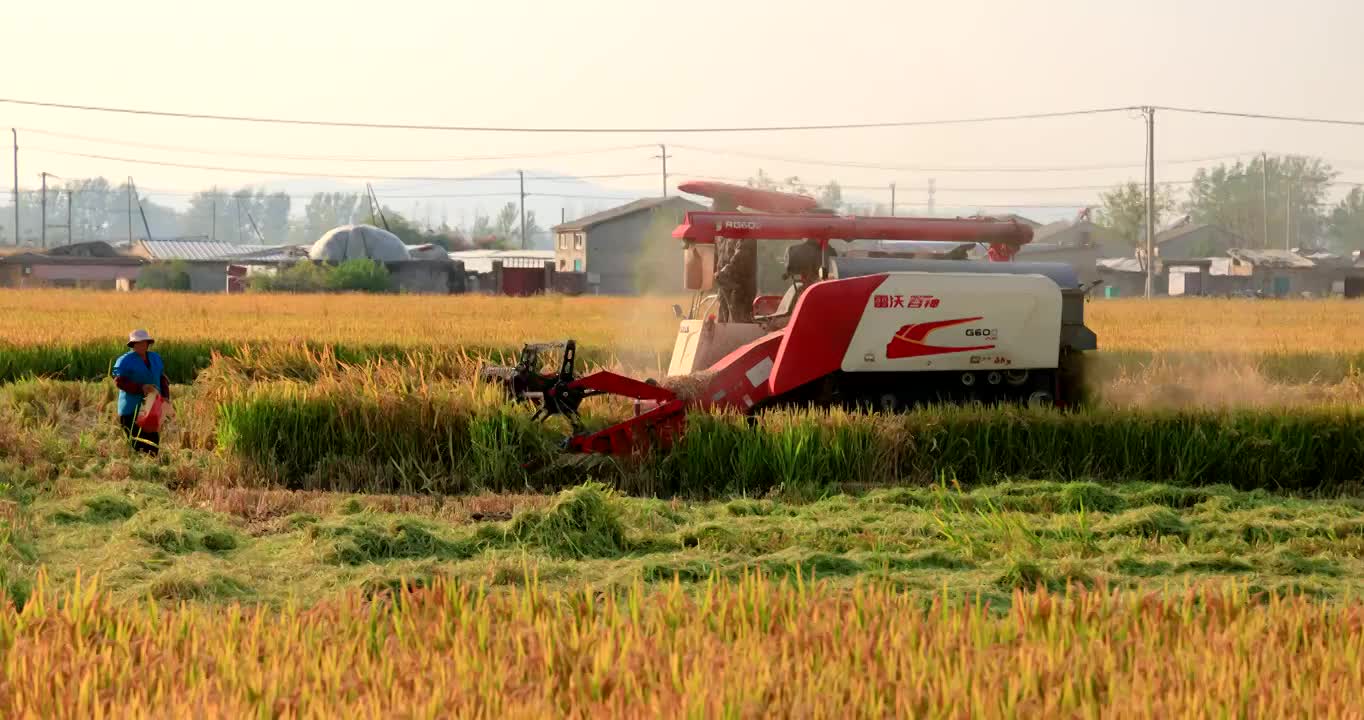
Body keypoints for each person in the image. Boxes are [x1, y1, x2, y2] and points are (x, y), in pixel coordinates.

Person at [111, 329, 170, 456]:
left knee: (153, 443)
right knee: (137, 444)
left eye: (144, 343)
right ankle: (137, 471)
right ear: (132, 345)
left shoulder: (155, 358)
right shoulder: (124, 361)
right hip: (131, 409)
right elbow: (119, 382)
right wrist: (141, 388)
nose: (141, 345)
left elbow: (162, 378)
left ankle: (152, 470)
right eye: (137, 343)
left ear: (148, 343)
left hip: (151, 408)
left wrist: (165, 397)